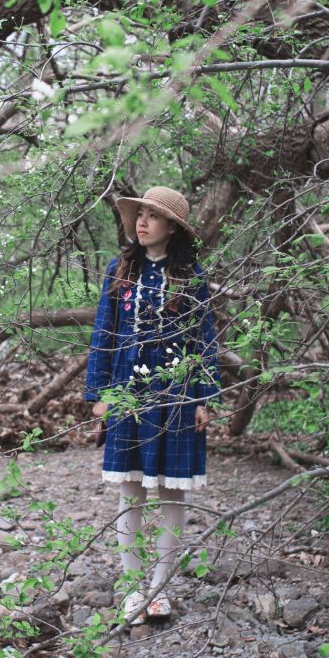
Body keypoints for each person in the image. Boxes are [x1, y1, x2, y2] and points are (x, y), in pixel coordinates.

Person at [85, 186, 220, 624]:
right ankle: (131, 588)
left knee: (171, 490)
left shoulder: (192, 276)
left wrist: (204, 396)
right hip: (128, 391)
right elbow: (103, 333)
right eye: (139, 215)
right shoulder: (120, 269)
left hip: (177, 394)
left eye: (153, 216)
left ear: (172, 227)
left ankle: (160, 588)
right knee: (130, 490)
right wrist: (100, 392)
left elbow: (204, 340)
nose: (142, 223)